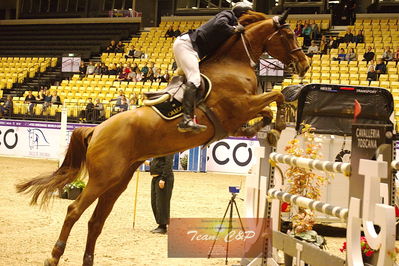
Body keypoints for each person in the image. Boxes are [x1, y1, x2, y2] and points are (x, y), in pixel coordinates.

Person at [173, 2, 252, 133]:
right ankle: (186, 119)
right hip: (187, 46)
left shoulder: (231, 21)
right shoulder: (228, 14)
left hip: (190, 47)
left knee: (191, 79)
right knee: (195, 79)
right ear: (241, 14)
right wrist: (234, 29)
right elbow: (219, 24)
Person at [148, 155, 174, 234]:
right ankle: (160, 224)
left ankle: (163, 226)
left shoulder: (169, 150)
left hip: (163, 179)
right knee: (155, 202)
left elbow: (168, 164)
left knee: (162, 203)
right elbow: (156, 163)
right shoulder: (160, 151)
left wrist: (163, 178)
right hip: (155, 178)